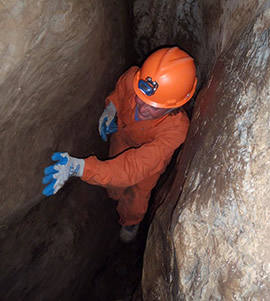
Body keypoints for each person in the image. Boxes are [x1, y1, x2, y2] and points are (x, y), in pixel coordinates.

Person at [42, 46, 197, 243]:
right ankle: (113, 195)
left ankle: (131, 221)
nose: (142, 107)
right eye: (141, 98)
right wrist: (111, 109)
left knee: (135, 198)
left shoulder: (176, 130)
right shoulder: (133, 78)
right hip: (122, 137)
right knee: (114, 187)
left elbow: (132, 168)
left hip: (146, 166)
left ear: (174, 105)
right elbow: (121, 91)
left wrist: (79, 167)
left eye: (153, 107)